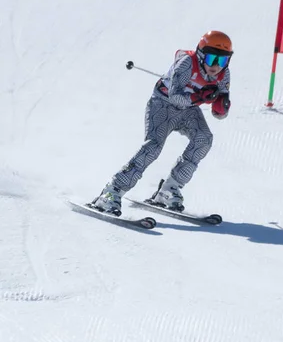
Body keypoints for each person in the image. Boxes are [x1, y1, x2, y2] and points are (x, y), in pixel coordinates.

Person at [92, 30, 233, 216]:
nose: (216, 66)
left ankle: (169, 189)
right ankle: (112, 191)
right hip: (163, 105)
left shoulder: (224, 75)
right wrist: (199, 96)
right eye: (211, 59)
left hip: (189, 112)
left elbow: (219, 114)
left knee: (203, 139)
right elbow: (175, 97)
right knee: (153, 147)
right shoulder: (186, 64)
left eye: (221, 60)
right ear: (200, 55)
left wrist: (220, 107)